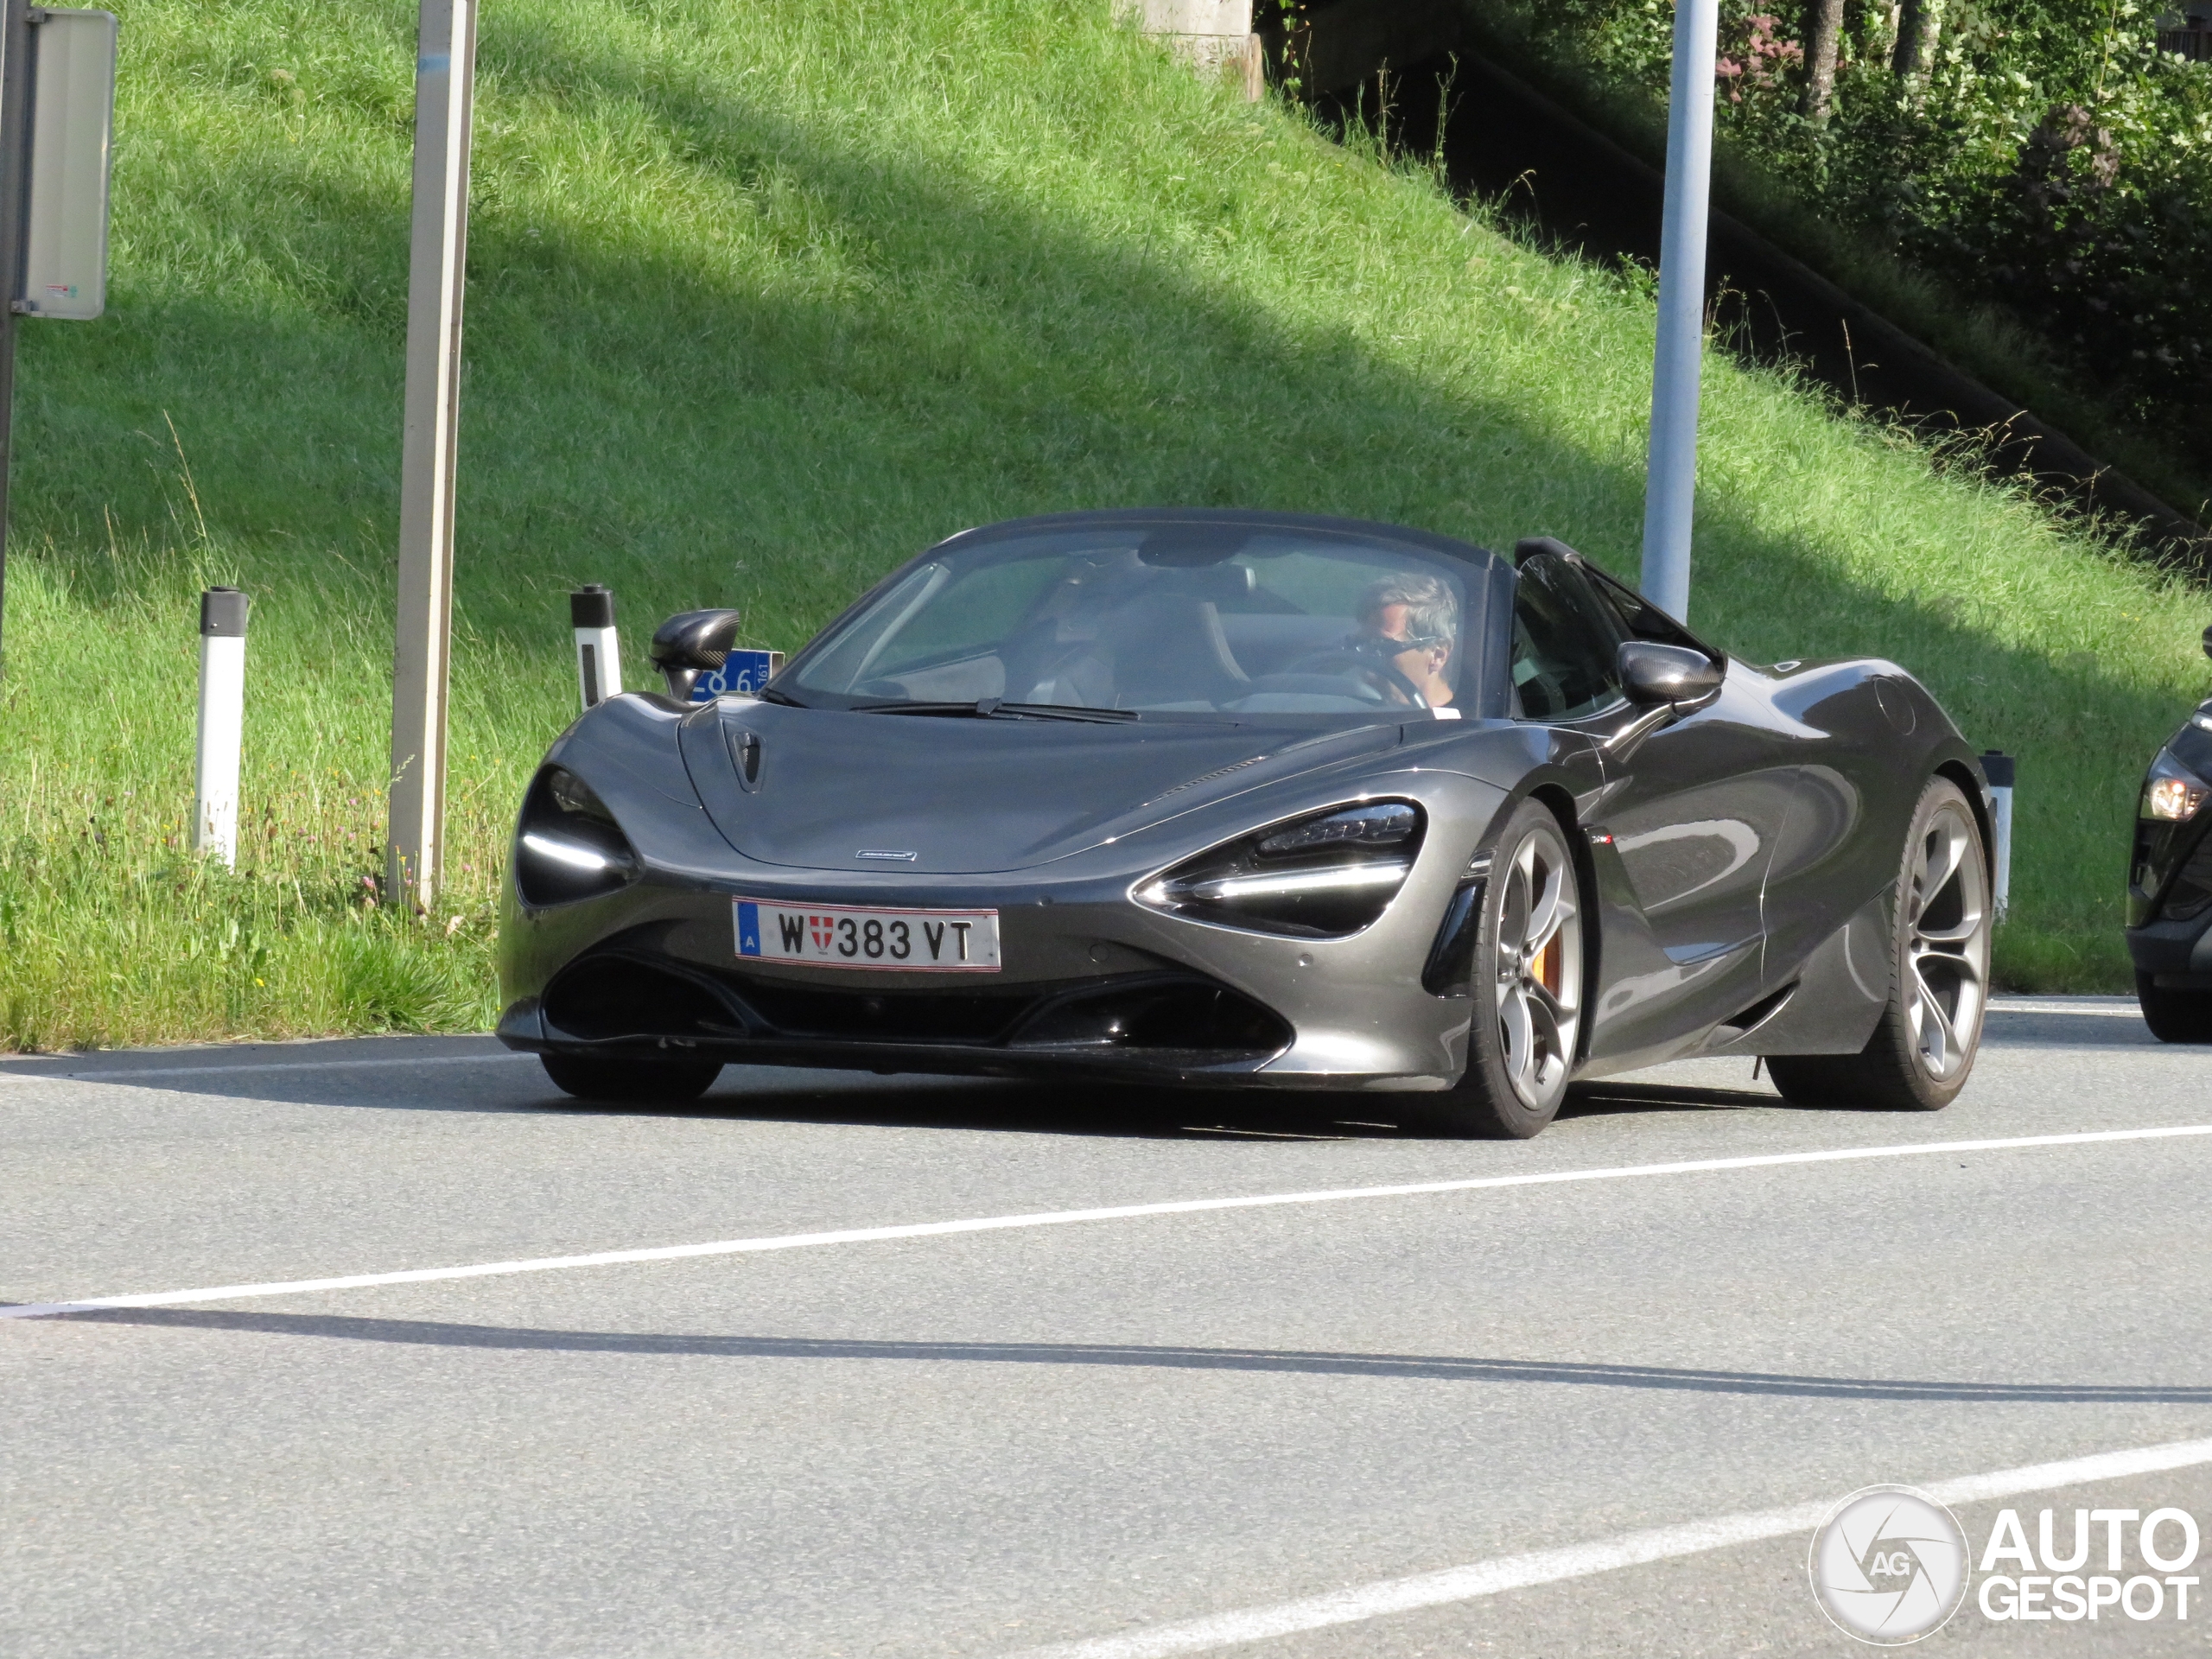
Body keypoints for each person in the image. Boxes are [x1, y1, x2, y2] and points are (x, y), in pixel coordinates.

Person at [1351, 573, 1458, 707]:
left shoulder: (1460, 726)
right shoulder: (1345, 703)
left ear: (1439, 655)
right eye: (1358, 643)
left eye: (1383, 646)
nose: (1362, 659)